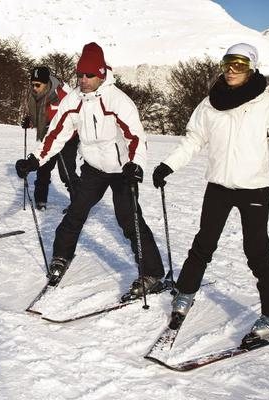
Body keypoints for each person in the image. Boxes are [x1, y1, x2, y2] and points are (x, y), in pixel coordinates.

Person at [151, 43, 269, 339]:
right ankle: (186, 292)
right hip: (218, 185)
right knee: (203, 244)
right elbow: (193, 140)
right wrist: (168, 165)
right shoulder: (209, 103)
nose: (232, 70)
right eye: (228, 63)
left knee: (257, 252)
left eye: (240, 64)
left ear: (251, 68)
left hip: (254, 188)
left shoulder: (267, 103)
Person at [15, 42, 164, 298]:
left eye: (89, 75)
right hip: (94, 168)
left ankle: (151, 273)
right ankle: (61, 257)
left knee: (129, 219)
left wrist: (135, 164)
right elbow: (57, 134)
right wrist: (35, 160)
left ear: (101, 74)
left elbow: (136, 136)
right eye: (80, 75)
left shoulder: (117, 100)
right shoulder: (74, 99)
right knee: (75, 212)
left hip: (121, 169)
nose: (83, 80)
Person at [21, 66, 80, 210]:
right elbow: (39, 116)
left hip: (68, 137)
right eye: (32, 84)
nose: (34, 87)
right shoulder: (36, 95)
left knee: (66, 173)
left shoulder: (64, 94)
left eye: (37, 84)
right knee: (43, 169)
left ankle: (78, 206)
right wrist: (30, 122)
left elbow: (76, 116)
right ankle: (40, 201)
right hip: (48, 136)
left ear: (47, 82)